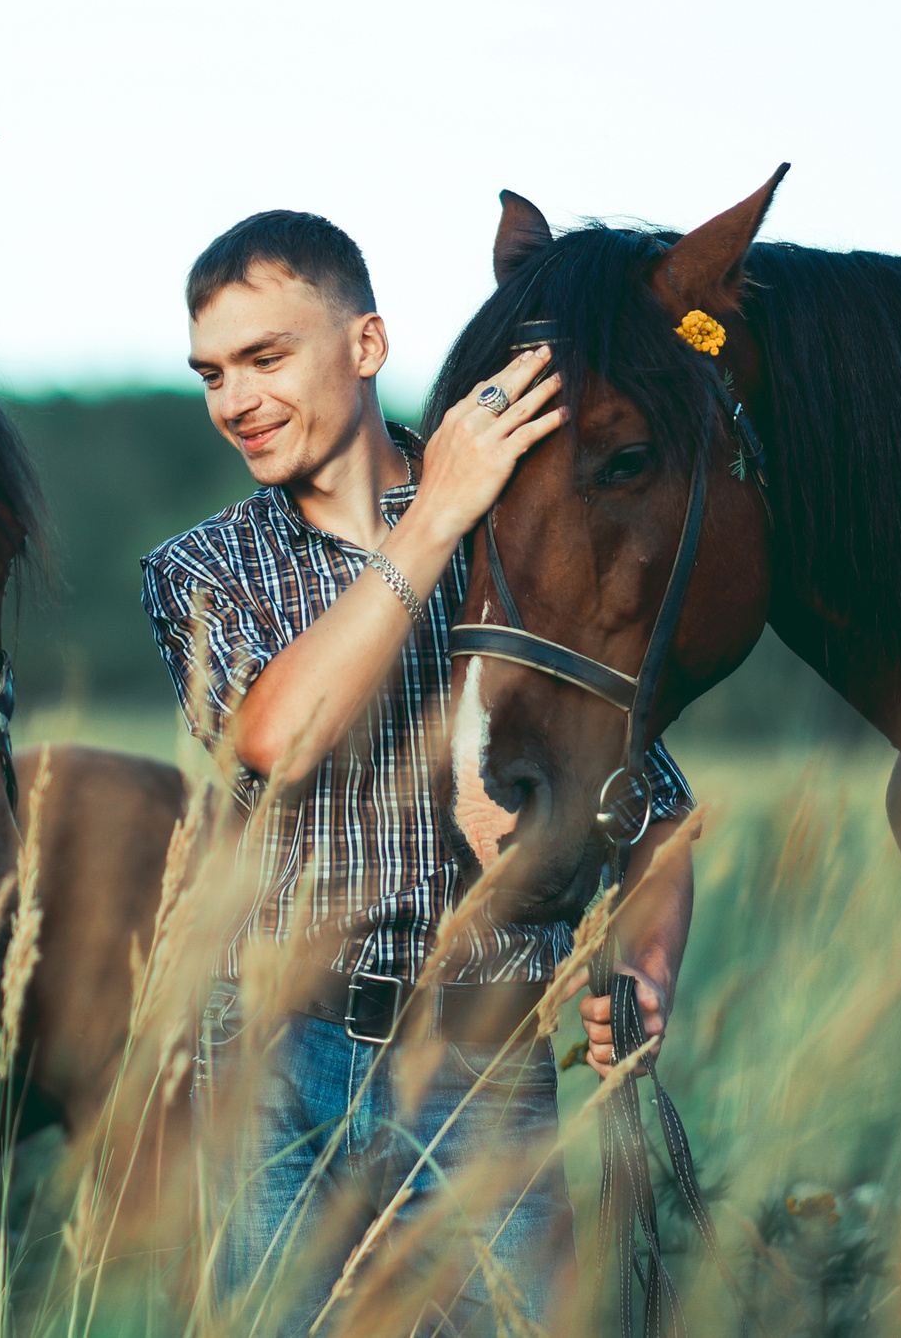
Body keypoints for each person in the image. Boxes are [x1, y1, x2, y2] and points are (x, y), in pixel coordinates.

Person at [140, 211, 696, 1334]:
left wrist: (644, 968)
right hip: (272, 1064)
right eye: (211, 373)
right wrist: (436, 514)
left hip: (481, 1061)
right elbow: (275, 737)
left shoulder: (519, 539)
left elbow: (654, 812)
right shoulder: (200, 567)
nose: (234, 401)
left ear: (366, 345)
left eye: (265, 357)